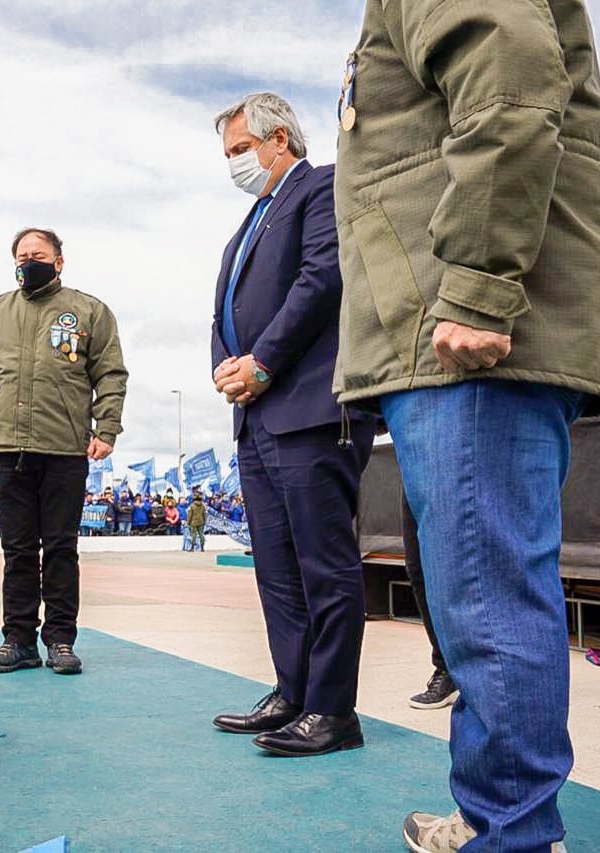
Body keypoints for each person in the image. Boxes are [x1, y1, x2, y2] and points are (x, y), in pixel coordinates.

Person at [333, 2, 600, 849]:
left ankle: (514, 834)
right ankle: (503, 817)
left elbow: (508, 84)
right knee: (484, 592)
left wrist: (475, 280)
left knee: (487, 594)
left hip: (464, 326)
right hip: (450, 322)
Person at [209, 92, 376, 759]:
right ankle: (294, 689)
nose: (234, 165)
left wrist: (264, 362)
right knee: (276, 568)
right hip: (256, 420)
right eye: (228, 155)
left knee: (324, 566)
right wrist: (227, 368)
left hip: (310, 408)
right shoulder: (248, 223)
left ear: (280, 138)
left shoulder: (322, 188)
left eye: (240, 150)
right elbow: (226, 309)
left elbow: (321, 278)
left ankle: (333, 710)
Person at [0, 227, 128, 675]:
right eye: (21, 255)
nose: (28, 260)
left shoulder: (89, 311)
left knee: (59, 548)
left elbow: (110, 374)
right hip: (7, 447)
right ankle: (18, 640)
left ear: (58, 261)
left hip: (65, 448)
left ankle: (60, 640)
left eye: (38, 254)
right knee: (17, 551)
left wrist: (106, 429)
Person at [401, 498, 457, 710]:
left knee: (455, 568)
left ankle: (476, 669)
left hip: (461, 472)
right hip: (414, 469)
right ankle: (447, 669)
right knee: (418, 567)